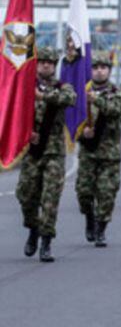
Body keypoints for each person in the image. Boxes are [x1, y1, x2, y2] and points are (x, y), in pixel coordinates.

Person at [16, 46, 76, 262]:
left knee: (50, 198)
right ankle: (33, 228)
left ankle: (46, 241)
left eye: (50, 63)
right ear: (36, 64)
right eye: (42, 62)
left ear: (54, 66)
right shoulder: (24, 86)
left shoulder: (63, 87)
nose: (46, 66)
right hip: (31, 151)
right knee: (25, 195)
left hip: (53, 152)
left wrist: (43, 95)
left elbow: (70, 98)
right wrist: (25, 133)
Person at [75, 51, 121, 247]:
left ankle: (101, 228)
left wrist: (95, 100)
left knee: (106, 193)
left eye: (103, 68)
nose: (99, 72)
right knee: (84, 193)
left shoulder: (118, 94)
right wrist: (82, 133)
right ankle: (89, 217)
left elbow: (116, 110)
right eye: (95, 68)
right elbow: (71, 122)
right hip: (88, 152)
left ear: (109, 70)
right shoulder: (80, 93)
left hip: (109, 154)